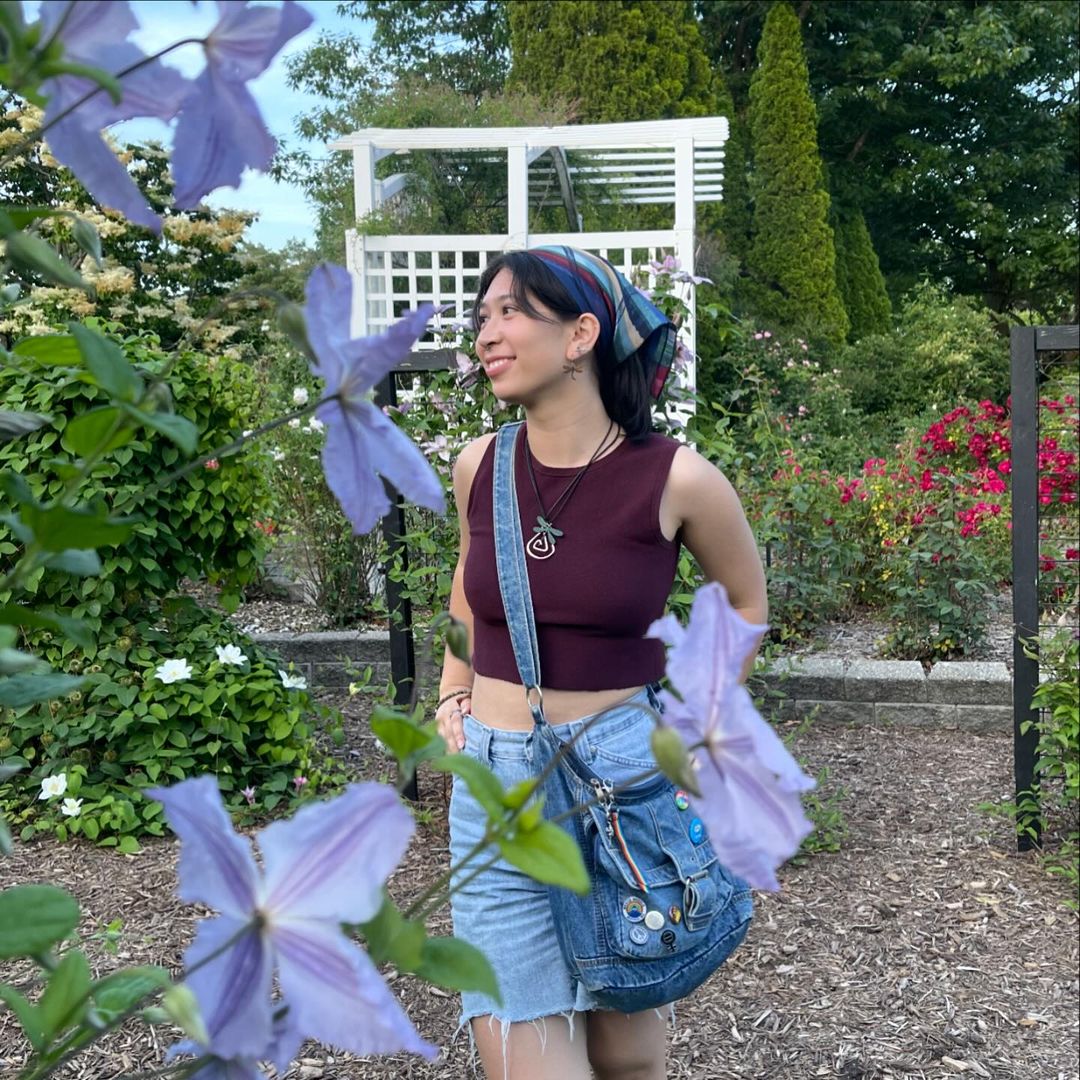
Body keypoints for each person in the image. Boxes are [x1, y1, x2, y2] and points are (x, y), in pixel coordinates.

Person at [436, 246, 767, 1080]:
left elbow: (747, 606)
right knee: (524, 1052)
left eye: (511, 312)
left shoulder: (678, 478)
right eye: (484, 316)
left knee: (627, 1050)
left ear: (582, 333)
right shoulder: (480, 465)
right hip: (495, 786)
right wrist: (449, 697)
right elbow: (469, 599)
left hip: (622, 782)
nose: (488, 333)